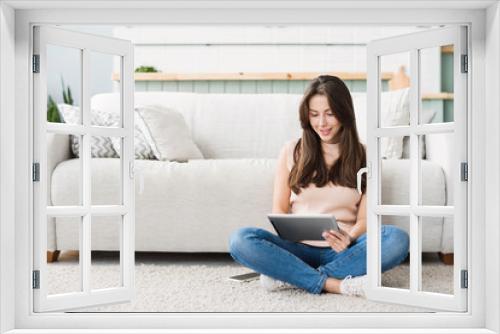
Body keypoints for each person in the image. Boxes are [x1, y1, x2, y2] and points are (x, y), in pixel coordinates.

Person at [228, 75, 410, 297]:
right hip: (296, 249)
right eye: (314, 115)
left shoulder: (367, 155)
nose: (321, 123)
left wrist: (349, 237)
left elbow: (365, 218)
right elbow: (279, 209)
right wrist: (289, 233)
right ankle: (334, 284)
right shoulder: (291, 150)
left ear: (344, 113)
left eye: (329, 114)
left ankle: (293, 277)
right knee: (241, 240)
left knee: (396, 238)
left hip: (343, 251)